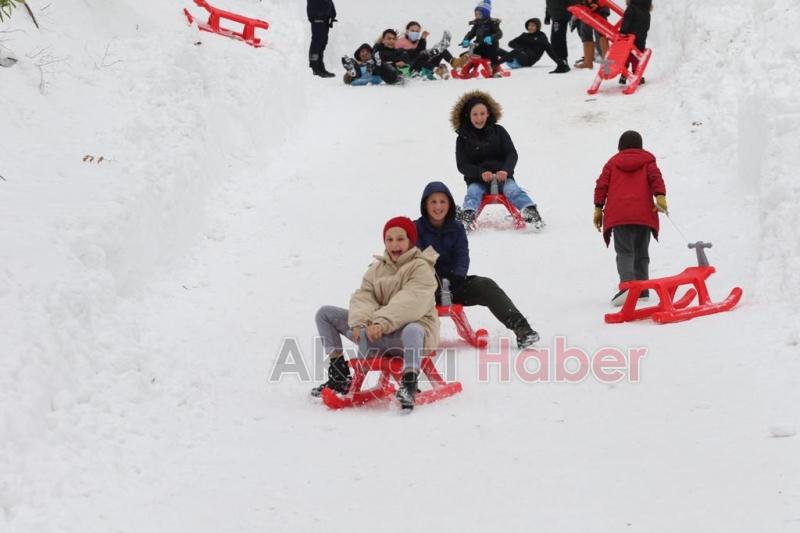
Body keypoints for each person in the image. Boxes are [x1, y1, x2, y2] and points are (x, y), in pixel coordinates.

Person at [311, 217, 440, 410]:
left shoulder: (421, 268)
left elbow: (409, 301)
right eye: (389, 239)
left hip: (409, 339)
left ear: (410, 241)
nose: (394, 244)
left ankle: (409, 384)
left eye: (400, 239)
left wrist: (381, 322)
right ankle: (339, 376)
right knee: (325, 314)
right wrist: (359, 323)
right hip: (375, 334)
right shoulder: (377, 268)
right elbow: (364, 296)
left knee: (413, 328)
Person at [415, 182, 540, 349]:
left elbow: (462, 256)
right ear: (425, 204)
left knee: (486, 285)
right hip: (424, 289)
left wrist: (454, 277)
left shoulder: (457, 228)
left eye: (442, 202)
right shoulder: (416, 228)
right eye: (433, 202)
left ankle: (522, 328)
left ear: (450, 204)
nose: (438, 206)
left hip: (453, 284)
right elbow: (417, 259)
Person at [451, 90, 545, 229]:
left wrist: (506, 170)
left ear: (488, 114)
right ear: (468, 115)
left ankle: (530, 211)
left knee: (513, 190)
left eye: (482, 113)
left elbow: (511, 153)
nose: (479, 118)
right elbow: (462, 164)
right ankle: (468, 216)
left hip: (503, 177)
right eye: (475, 114)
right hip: (477, 179)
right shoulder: (463, 138)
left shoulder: (499, 131)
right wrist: (480, 173)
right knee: (473, 193)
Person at [593, 130, 667, 305]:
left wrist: (598, 207)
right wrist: (660, 196)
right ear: (640, 146)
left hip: (620, 216)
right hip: (643, 214)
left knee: (625, 253)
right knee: (642, 252)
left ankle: (627, 287)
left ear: (620, 147)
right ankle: (642, 289)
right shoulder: (648, 161)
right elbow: (656, 178)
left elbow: (601, 186)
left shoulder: (612, 163)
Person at [501, 17, 570, 73]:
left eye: (533, 25)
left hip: (527, 61)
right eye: (529, 25)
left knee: (516, 52)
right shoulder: (524, 35)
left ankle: (495, 65)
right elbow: (510, 43)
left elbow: (550, 50)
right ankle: (493, 66)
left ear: (537, 27)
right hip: (514, 59)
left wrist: (560, 63)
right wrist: (522, 48)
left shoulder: (541, 37)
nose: (530, 27)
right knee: (497, 49)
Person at [459, 1, 504, 76]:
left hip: (490, 48)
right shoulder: (477, 24)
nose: (477, 15)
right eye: (476, 14)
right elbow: (471, 33)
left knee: (491, 49)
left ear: (486, 14)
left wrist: (491, 37)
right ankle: (467, 70)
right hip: (480, 47)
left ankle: (495, 69)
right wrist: (466, 40)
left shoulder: (493, 23)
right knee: (468, 54)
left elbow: (499, 33)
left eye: (479, 14)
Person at [619, 0, 652, 83]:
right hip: (641, 38)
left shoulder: (631, 8)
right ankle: (636, 73)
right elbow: (647, 26)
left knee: (626, 55)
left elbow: (626, 20)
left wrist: (623, 31)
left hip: (629, 37)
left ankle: (624, 74)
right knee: (636, 57)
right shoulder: (646, 12)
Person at [574, 0, 610, 69]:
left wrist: (594, 2)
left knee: (601, 33)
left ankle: (606, 64)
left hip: (596, 5)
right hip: (587, 6)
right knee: (586, 32)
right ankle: (588, 62)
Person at [307, 0, 337, 78]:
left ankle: (320, 66)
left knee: (323, 41)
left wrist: (332, 15)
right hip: (317, 15)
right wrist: (317, 14)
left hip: (325, 17)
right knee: (317, 41)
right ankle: (315, 66)